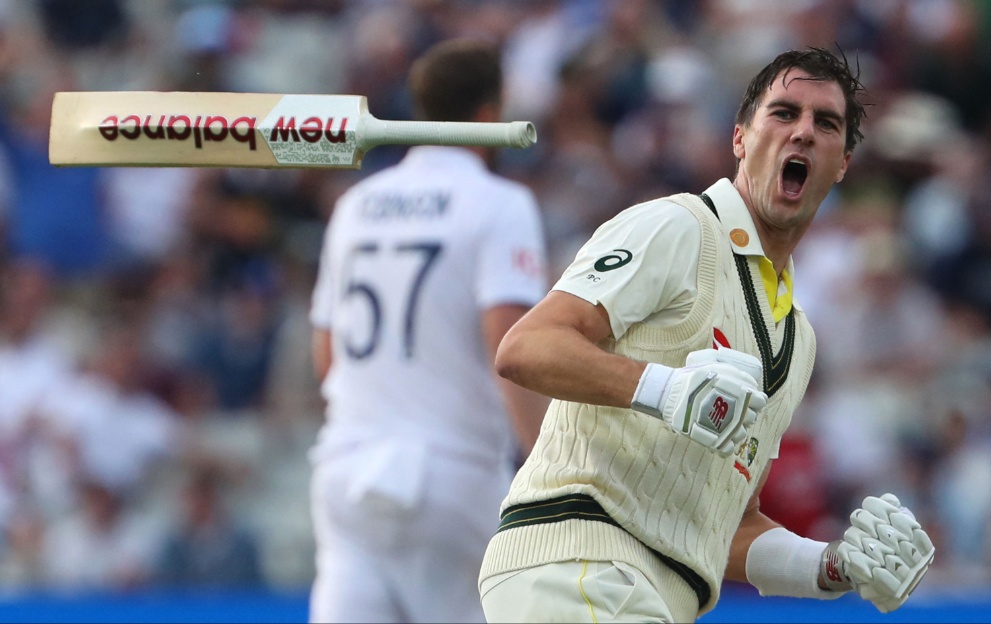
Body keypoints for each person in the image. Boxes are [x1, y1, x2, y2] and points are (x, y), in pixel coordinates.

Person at [478, 47, 936, 623]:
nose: (802, 132)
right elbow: (526, 347)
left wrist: (834, 566)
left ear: (842, 162)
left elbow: (728, 526)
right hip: (579, 562)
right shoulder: (678, 228)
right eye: (783, 113)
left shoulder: (798, 339)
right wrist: (666, 390)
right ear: (740, 138)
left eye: (825, 123)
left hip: (648, 594)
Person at [308, 38, 549, 623]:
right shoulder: (500, 204)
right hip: (451, 476)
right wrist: (550, 473)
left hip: (346, 471)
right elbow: (509, 348)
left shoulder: (357, 204)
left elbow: (326, 356)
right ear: (490, 114)